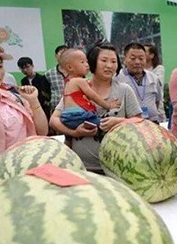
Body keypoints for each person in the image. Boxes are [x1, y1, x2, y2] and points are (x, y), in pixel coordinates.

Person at [50, 42, 142, 173]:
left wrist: (119, 122)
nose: (109, 66)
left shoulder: (124, 90)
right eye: (104, 60)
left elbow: (139, 121)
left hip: (117, 169)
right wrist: (75, 133)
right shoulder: (77, 86)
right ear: (92, 62)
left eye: (114, 61)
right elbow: (54, 120)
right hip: (80, 168)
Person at [0, 42, 48, 179]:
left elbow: (42, 132)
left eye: (0, 66)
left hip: (23, 172)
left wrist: (33, 102)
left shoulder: (13, 97)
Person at [58, 49, 120, 130]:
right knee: (104, 123)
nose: (87, 65)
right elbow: (93, 96)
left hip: (66, 117)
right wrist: (108, 105)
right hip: (78, 116)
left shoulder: (68, 82)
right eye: (82, 62)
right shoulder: (79, 81)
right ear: (70, 67)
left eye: (86, 62)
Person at [117, 42, 163, 123]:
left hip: (152, 123)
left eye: (141, 58)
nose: (137, 62)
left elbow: (157, 101)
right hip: (129, 124)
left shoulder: (153, 78)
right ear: (124, 60)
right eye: (133, 58)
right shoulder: (118, 79)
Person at [144, 43, 166, 122]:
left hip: (157, 109)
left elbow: (157, 84)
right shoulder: (138, 70)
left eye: (144, 51)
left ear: (152, 55)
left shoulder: (159, 69)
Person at [45, 44, 69, 114]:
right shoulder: (49, 74)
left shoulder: (76, 72)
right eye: (61, 53)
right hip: (56, 109)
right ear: (56, 55)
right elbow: (45, 92)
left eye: (66, 53)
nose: (64, 56)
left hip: (74, 109)